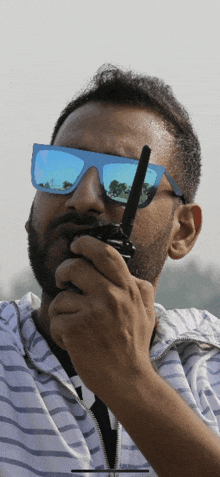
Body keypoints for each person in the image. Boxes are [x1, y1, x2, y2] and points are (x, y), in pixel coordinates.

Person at [1, 65, 220, 477]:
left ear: (184, 231)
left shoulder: (211, 366)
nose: (82, 199)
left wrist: (130, 378)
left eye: (123, 181)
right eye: (60, 171)